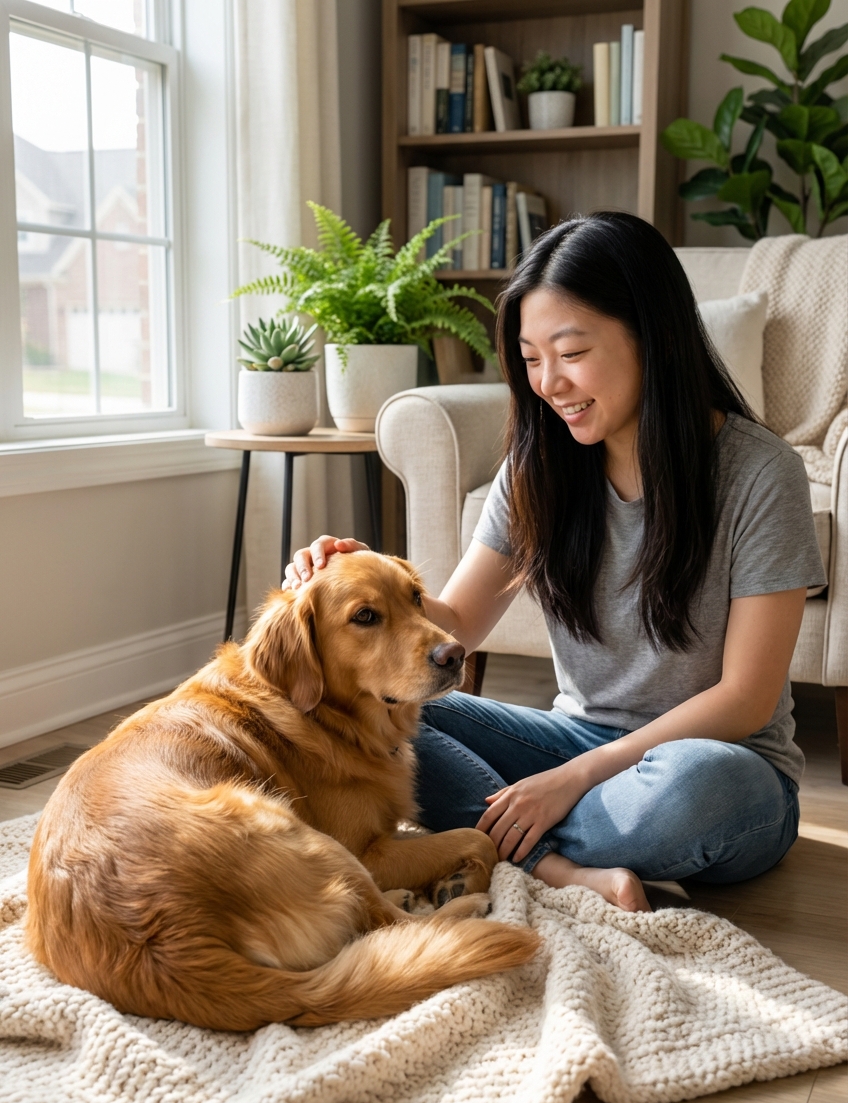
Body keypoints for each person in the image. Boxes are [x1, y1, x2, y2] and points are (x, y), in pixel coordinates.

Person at [284, 212, 826, 913]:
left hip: (719, 765)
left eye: (570, 353)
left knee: (698, 786)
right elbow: (455, 627)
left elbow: (746, 698)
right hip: (571, 737)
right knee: (385, 711)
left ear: (652, 335)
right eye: (532, 359)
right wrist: (364, 575)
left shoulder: (759, 473)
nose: (549, 384)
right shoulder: (538, 466)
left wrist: (574, 779)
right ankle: (554, 869)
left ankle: (501, 842)